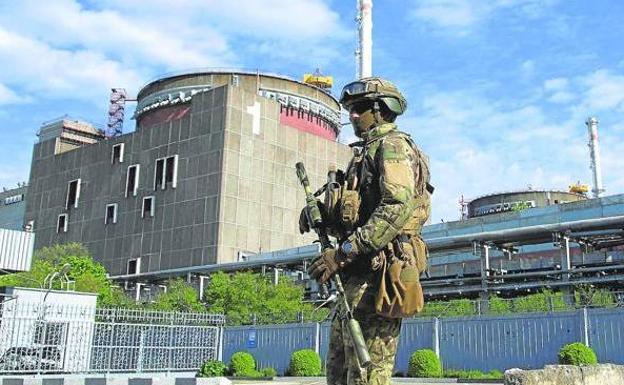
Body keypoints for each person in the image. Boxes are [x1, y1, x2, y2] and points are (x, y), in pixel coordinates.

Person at [302, 77, 432, 385]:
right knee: (339, 371)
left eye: (359, 108)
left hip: (379, 278)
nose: (352, 116)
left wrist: (343, 253)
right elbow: (357, 218)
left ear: (381, 110)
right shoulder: (363, 155)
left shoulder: (393, 147)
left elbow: (394, 209)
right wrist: (322, 217)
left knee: (367, 374)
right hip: (356, 276)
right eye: (350, 109)